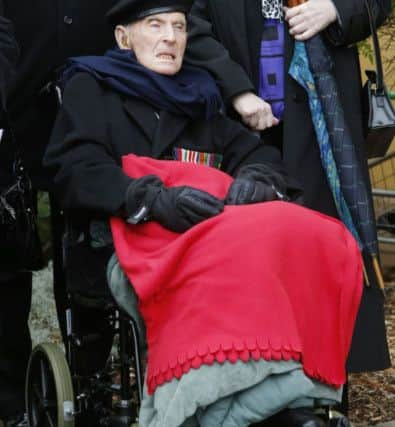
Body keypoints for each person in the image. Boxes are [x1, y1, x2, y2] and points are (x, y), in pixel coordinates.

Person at [44, 1, 363, 425]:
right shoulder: (92, 88)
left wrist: (258, 178)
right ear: (124, 38)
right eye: (155, 26)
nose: (170, 38)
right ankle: (213, 408)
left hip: (212, 237)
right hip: (137, 237)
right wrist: (147, 198)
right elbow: (75, 167)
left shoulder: (197, 93)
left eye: (178, 27)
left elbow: (251, 152)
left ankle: (288, 395)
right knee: (219, 269)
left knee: (300, 239)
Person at [185, 0, 392, 378]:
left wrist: (335, 10)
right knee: (256, 267)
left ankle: (328, 387)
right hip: (245, 133)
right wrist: (236, 90)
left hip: (323, 127)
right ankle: (263, 382)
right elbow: (192, 27)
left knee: (324, 255)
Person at [0, 1, 118, 425]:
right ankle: (11, 400)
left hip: (95, 107)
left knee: (89, 247)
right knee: (7, 260)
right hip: (12, 109)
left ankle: (91, 387)